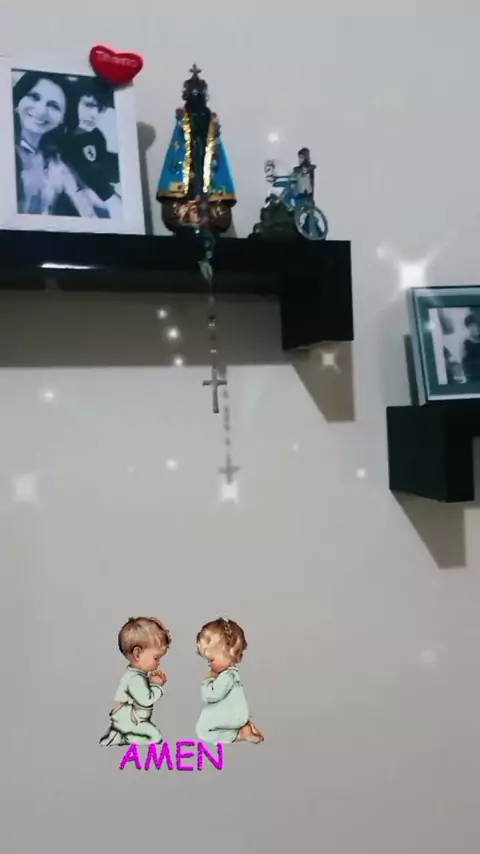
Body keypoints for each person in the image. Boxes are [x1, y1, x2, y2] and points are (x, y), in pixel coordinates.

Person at [13, 71, 93, 216]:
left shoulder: (54, 161)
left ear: (63, 119)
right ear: (18, 101)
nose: (41, 111)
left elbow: (84, 202)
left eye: (53, 106)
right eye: (34, 97)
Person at [99, 616, 170, 747]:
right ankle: (123, 737)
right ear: (137, 654)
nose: (159, 662)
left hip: (132, 719)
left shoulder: (135, 675)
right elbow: (146, 700)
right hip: (132, 721)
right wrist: (156, 685)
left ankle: (119, 734)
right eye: (156, 657)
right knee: (155, 737)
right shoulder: (135, 679)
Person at [195, 617, 264, 744]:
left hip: (232, 716)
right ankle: (242, 731)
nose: (209, 664)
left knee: (203, 729)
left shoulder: (227, 676)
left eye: (211, 660)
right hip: (237, 714)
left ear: (229, 653)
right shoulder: (232, 674)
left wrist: (209, 680)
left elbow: (211, 695)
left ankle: (240, 734)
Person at [61, 77, 121, 219]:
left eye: (101, 109)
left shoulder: (96, 136)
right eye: (88, 105)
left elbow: (98, 172)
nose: (94, 115)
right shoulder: (57, 134)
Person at [461, 310, 480, 382]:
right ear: (468, 327)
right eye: (473, 326)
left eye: (478, 325)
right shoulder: (465, 343)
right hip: (472, 378)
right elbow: (463, 362)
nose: (476, 328)